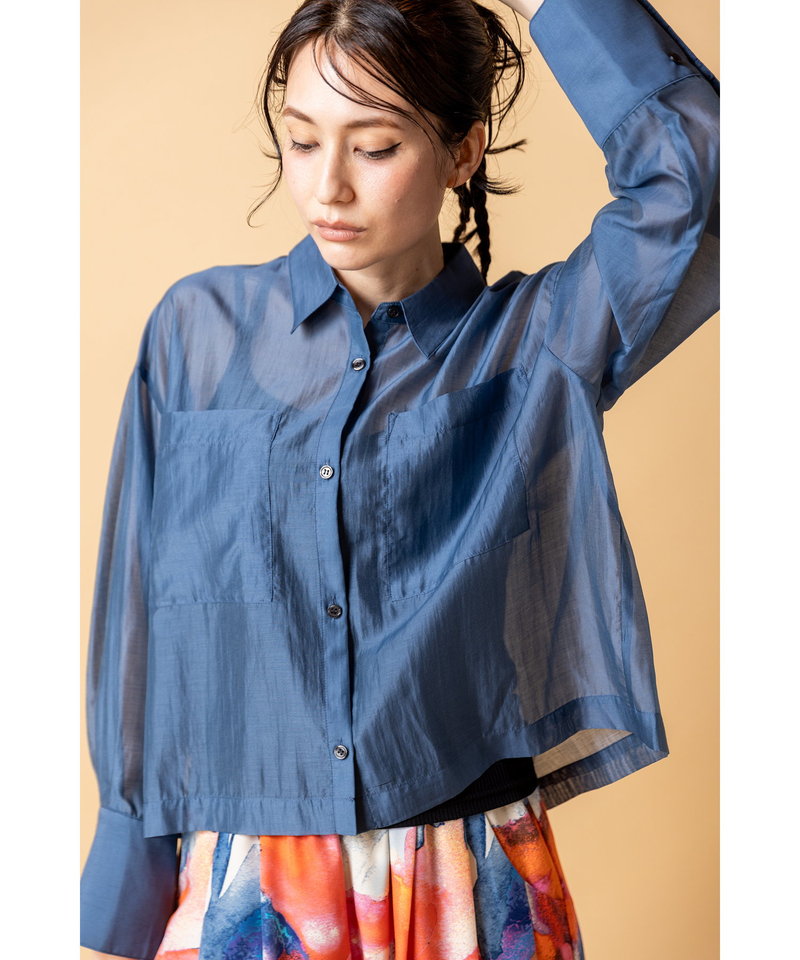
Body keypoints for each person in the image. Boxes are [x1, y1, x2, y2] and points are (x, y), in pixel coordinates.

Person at [80, 0, 719, 957]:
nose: (326, 187)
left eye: (374, 147)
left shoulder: (537, 345)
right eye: (301, 141)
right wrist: (124, 897)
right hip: (252, 888)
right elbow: (142, 617)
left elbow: (707, 181)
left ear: (462, 152)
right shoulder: (197, 333)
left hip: (470, 888)